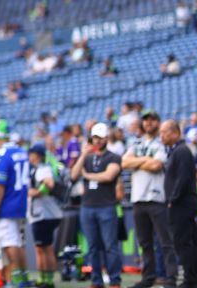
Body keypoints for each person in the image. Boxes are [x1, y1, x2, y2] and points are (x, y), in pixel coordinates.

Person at [123, 110, 178, 288]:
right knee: (145, 243)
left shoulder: (161, 144)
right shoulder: (136, 143)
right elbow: (124, 163)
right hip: (138, 199)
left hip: (156, 198)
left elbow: (156, 165)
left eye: (152, 120)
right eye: (146, 120)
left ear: (158, 122)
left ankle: (170, 277)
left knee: (165, 241)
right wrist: (145, 159)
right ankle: (148, 277)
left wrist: (137, 161)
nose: (148, 123)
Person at [71, 123, 123, 288]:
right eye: (95, 138)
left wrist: (87, 175)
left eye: (101, 138)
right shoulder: (87, 157)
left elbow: (109, 176)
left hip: (106, 206)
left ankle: (114, 280)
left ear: (107, 138)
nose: (98, 141)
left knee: (110, 246)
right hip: (87, 207)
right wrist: (82, 155)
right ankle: (96, 280)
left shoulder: (114, 157)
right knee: (92, 247)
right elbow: (73, 175)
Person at [0, 123, 31, 288]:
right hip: (19, 202)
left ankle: (19, 281)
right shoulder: (20, 151)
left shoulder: (2, 154)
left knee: (9, 243)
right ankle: (23, 278)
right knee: (17, 243)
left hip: (7, 205)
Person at [161, 120, 197, 288]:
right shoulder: (177, 151)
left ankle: (190, 281)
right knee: (184, 242)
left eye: (164, 132)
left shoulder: (181, 151)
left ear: (175, 133)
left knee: (183, 243)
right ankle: (190, 280)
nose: (161, 136)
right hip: (181, 204)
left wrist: (172, 199)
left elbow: (183, 178)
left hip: (181, 205)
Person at [27, 144, 63, 288]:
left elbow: (49, 183)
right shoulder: (37, 169)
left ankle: (46, 279)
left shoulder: (42, 168)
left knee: (43, 248)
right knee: (43, 247)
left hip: (43, 214)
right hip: (43, 214)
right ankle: (45, 279)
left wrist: (35, 192)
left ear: (37, 155)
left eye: (32, 154)